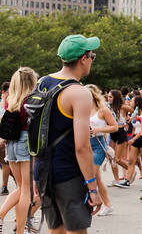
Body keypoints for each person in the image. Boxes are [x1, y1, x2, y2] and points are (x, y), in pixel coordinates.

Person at [36, 34, 103, 233]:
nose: (92, 60)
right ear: (83, 58)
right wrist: (93, 187)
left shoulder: (42, 82)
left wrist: (34, 176)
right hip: (69, 174)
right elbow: (82, 146)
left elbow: (36, 132)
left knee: (55, 229)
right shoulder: (79, 93)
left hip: (43, 170)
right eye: (92, 55)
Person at [0, 67, 39, 233]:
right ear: (31, 81)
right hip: (26, 142)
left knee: (21, 187)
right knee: (27, 191)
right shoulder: (31, 100)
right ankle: (20, 230)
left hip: (12, 144)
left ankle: (1, 216)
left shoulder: (11, 100)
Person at [86, 84, 117, 216]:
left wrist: (98, 130)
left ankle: (88, 205)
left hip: (98, 146)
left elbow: (115, 127)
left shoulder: (102, 110)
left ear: (93, 95)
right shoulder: (83, 109)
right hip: (85, 145)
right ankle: (108, 205)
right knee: (96, 179)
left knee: (89, 176)